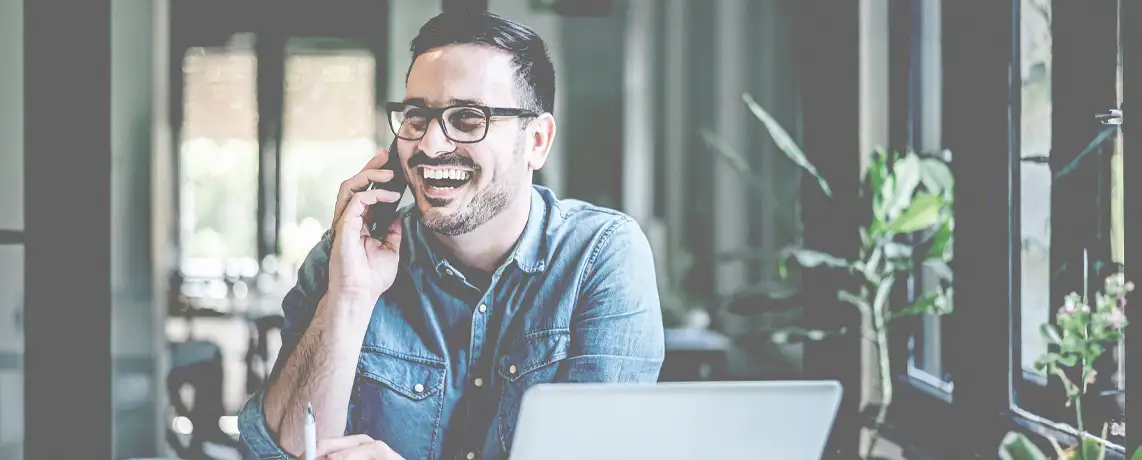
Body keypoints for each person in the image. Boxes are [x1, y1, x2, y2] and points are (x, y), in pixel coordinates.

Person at [237, 11, 665, 460]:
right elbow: (274, 454)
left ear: (537, 141)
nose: (429, 146)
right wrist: (347, 299)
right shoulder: (347, 256)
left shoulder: (600, 257)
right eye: (417, 116)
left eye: (467, 118)